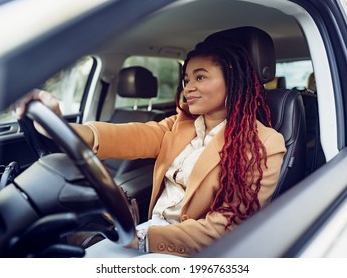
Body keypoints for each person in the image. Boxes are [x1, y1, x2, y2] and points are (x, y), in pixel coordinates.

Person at [14, 39, 286, 257]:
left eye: (200, 77)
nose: (189, 87)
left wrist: (143, 239)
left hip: (197, 253)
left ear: (233, 81)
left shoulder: (264, 143)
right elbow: (124, 135)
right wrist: (57, 124)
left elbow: (226, 228)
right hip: (146, 231)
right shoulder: (179, 125)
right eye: (187, 79)